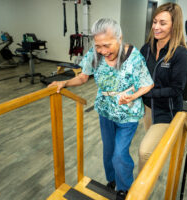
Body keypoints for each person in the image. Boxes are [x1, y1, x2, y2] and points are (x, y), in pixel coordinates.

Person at [48, 18, 154, 199]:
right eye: (98, 45)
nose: (103, 51)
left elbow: (147, 84)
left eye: (107, 45)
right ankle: (112, 180)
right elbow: (83, 78)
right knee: (108, 150)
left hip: (128, 113)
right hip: (105, 111)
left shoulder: (135, 57)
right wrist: (64, 82)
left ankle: (124, 188)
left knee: (120, 154)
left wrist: (134, 96)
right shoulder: (94, 55)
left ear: (119, 38)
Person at [138, 3, 187, 171]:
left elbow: (176, 90)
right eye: (155, 22)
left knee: (145, 152)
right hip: (147, 108)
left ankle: (139, 193)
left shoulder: (181, 54)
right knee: (152, 150)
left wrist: (148, 91)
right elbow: (138, 75)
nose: (156, 27)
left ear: (174, 26)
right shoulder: (147, 48)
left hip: (166, 112)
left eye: (162, 23)